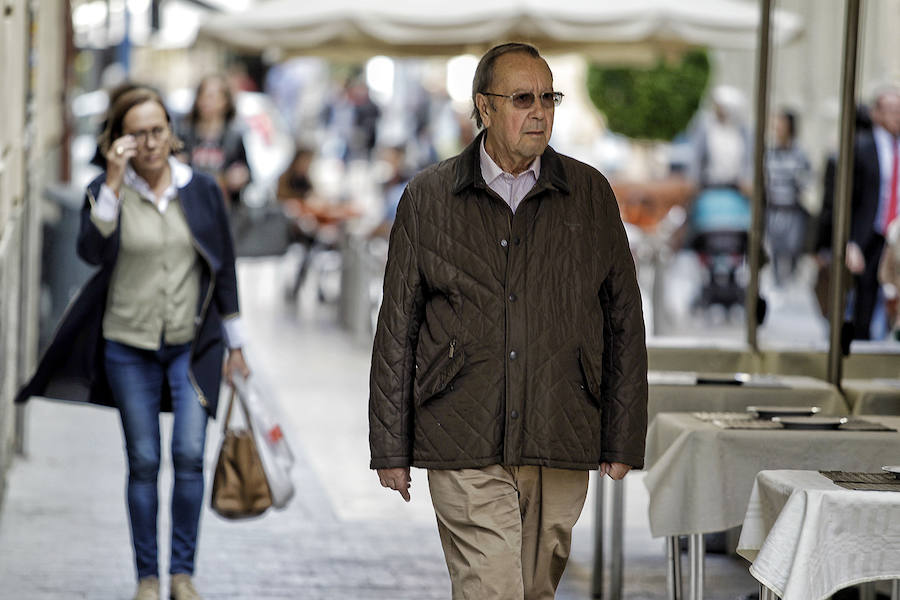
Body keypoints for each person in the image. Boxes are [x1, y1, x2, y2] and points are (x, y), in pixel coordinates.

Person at [368, 42, 648, 599]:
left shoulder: (590, 193)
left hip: (560, 428)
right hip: (461, 429)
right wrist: (390, 446)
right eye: (523, 98)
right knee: (493, 590)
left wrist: (622, 435)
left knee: (535, 591)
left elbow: (624, 319)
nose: (540, 111)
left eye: (549, 97)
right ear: (485, 107)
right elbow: (398, 325)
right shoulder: (428, 197)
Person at [16, 87, 249, 600]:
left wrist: (237, 345)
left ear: (171, 131)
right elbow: (91, 250)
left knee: (188, 455)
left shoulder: (202, 189)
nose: (149, 143)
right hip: (129, 346)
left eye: (157, 130)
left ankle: (182, 574)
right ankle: (148, 577)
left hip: (193, 345)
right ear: (118, 140)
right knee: (143, 461)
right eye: (137, 133)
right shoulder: (107, 189)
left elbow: (224, 265)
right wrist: (115, 184)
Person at [843, 87, 900, 339]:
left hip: (897, 237)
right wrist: (850, 242)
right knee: (864, 303)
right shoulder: (861, 146)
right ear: (876, 114)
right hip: (871, 234)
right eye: (891, 110)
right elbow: (847, 199)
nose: (897, 116)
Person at [177, 74, 250, 210]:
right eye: (202, 95)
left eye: (212, 96)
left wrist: (240, 176)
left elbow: (248, 174)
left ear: (225, 101)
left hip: (222, 205)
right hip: (190, 204)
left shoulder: (234, 136)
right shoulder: (185, 133)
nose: (206, 101)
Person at [764, 109, 811, 287]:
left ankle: (789, 283)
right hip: (773, 208)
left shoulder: (799, 153)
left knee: (792, 249)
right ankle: (778, 283)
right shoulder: (770, 152)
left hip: (792, 209)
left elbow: (807, 180)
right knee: (775, 249)